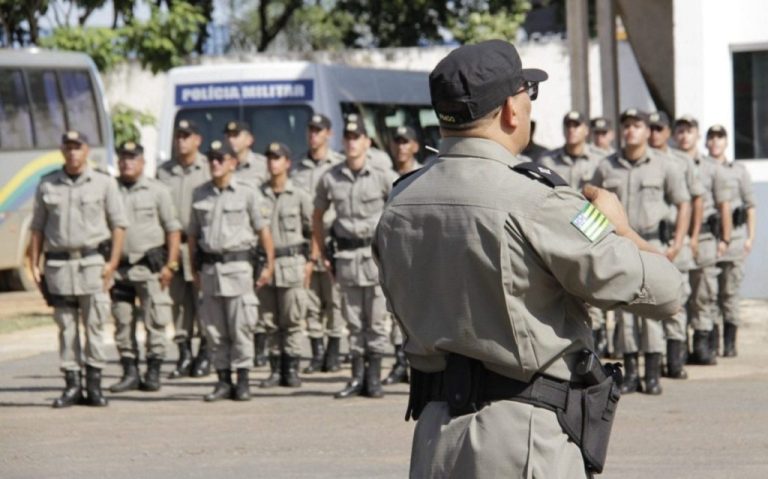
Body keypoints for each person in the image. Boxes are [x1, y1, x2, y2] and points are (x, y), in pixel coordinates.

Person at [373, 40, 683, 478]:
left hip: (434, 438)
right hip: (523, 441)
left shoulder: (399, 201)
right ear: (509, 111)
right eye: (527, 95)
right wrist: (620, 228)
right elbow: (667, 291)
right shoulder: (542, 202)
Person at [591, 109, 691, 395]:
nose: (631, 131)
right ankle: (631, 373)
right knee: (624, 310)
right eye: (627, 126)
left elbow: (683, 202)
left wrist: (678, 241)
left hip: (652, 245)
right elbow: (591, 203)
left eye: (637, 126)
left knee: (651, 307)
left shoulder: (663, 165)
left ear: (648, 131)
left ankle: (652, 373)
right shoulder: (607, 166)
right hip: (619, 246)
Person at [29, 130, 128, 408]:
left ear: (87, 151)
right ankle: (72, 384)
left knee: (95, 325)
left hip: (92, 264)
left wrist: (113, 263)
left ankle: (94, 385)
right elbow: (37, 228)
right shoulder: (47, 184)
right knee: (66, 327)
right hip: (59, 266)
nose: (73, 152)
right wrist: (34, 263)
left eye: (78, 147)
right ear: (62, 151)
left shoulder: (103, 183)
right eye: (68, 147)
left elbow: (118, 225)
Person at [311, 117, 397, 399]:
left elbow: (403, 208)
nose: (351, 142)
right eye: (347, 137)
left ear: (367, 142)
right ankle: (357, 376)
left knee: (375, 321)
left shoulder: (383, 175)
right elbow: (317, 215)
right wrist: (321, 252)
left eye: (357, 136)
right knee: (353, 322)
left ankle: (374, 377)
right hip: (346, 258)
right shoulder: (330, 177)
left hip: (375, 257)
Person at [188, 140, 275, 402]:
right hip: (211, 269)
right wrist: (194, 268)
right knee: (215, 330)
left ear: (232, 163)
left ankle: (243, 380)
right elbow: (193, 235)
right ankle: (223, 380)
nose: (214, 163)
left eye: (220, 158)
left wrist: (268, 266)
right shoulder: (199, 194)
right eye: (211, 158)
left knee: (241, 328)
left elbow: (264, 233)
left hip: (238, 269)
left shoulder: (247, 192)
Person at [108, 141, 181, 394]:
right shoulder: (110, 189)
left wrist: (171, 265)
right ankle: (129, 372)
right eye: (123, 158)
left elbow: (172, 229)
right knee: (122, 321)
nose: (127, 162)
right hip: (120, 270)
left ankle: (153, 371)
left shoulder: (157, 191)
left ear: (143, 162)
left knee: (155, 321)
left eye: (132, 158)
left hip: (150, 268)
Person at [540, 111, 610, 358]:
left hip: (589, 229)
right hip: (557, 231)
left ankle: (596, 345)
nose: (571, 129)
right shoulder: (548, 161)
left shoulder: (602, 161)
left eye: (576, 125)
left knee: (592, 289)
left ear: (586, 130)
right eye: (567, 124)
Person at [674, 115, 732, 364]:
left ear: (697, 135)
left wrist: (726, 239)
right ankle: (679, 346)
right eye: (681, 131)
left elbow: (724, 206)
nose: (685, 135)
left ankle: (703, 345)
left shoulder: (713, 168)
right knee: (679, 294)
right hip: (677, 237)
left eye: (689, 131)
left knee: (704, 294)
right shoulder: (669, 163)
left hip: (706, 238)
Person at [648, 111, 702, 378]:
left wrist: (689, 238)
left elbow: (693, 202)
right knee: (651, 300)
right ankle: (655, 359)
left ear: (668, 133)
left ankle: (676, 359)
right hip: (649, 242)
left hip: (673, 240)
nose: (655, 133)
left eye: (660, 129)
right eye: (652, 128)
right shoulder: (640, 160)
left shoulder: (680, 162)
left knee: (677, 299)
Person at [156, 119, 212, 379]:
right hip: (173, 249)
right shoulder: (164, 172)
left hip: (198, 246)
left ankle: (205, 353)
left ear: (197, 140)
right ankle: (184, 354)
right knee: (178, 304)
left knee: (203, 303)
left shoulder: (207, 169)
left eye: (187, 136)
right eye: (178, 136)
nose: (181, 141)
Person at [291, 113, 346, 374]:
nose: (313, 135)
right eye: (310, 130)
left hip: (332, 240)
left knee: (334, 299)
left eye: (318, 130)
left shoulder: (338, 166)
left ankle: (334, 351)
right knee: (310, 300)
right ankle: (317, 352)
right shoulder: (298, 168)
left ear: (329, 134)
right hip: (306, 240)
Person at [256, 142, 313, 389]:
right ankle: (275, 368)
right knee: (269, 321)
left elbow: (313, 229)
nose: (272, 162)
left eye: (277, 158)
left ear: (287, 163)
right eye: (269, 158)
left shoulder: (299, 195)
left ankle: (291, 369)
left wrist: (311, 261)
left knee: (292, 319)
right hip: (267, 265)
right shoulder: (258, 195)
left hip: (292, 263)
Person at [706, 124, 756, 357]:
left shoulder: (738, 170)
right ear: (706, 142)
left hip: (734, 241)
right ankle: (713, 343)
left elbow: (750, 206)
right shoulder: (701, 169)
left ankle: (729, 343)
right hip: (708, 240)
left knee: (730, 293)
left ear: (726, 142)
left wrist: (750, 238)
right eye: (712, 138)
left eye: (720, 137)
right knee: (710, 295)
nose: (715, 142)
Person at [381, 126, 422, 386]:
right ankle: (399, 361)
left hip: (417, 250)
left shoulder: (426, 173)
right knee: (395, 308)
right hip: (391, 249)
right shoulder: (382, 175)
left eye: (406, 142)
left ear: (415, 146)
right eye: (397, 142)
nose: (401, 147)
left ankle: (417, 362)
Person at [224, 120, 268, 186]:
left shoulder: (263, 165)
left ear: (249, 140)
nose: (230, 140)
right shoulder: (219, 164)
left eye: (235, 135)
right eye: (228, 136)